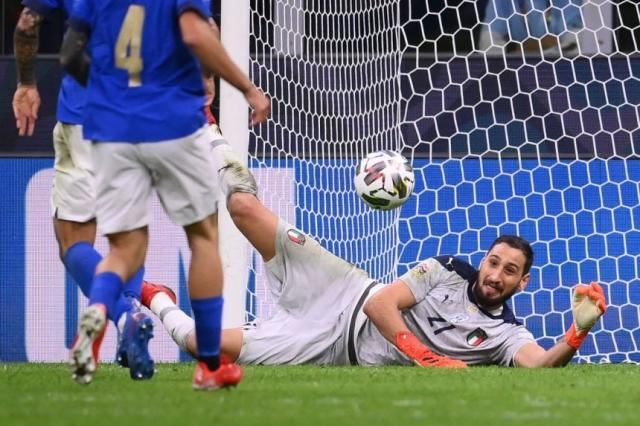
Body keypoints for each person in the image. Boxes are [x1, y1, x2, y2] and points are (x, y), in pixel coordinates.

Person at [145, 147, 607, 368]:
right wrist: (426, 357)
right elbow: (379, 304)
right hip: (342, 290)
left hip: (329, 349)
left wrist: (578, 332)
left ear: (522, 283)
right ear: (483, 260)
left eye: (509, 271)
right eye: (493, 262)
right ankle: (212, 133)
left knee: (199, 344)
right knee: (244, 208)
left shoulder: (506, 334)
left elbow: (539, 366)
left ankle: (157, 297)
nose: (495, 274)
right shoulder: (446, 269)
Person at [59, 0, 270, 389]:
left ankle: (100, 309)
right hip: (174, 123)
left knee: (124, 249)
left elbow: (70, 53)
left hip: (113, 130)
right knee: (203, 238)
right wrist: (246, 88)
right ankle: (210, 366)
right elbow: (196, 33)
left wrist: (112, 94)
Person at [11, 0, 164, 380]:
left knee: (73, 242)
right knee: (129, 236)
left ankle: (125, 315)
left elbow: (27, 23)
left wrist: (27, 84)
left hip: (84, 115)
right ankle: (130, 316)